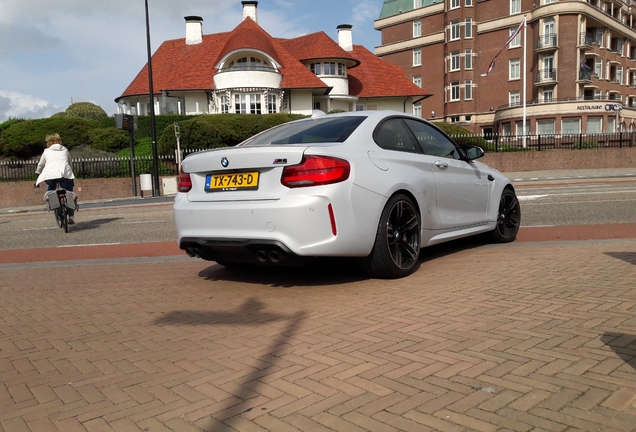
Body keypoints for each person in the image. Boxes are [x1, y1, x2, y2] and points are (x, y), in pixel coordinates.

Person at [35, 133, 77, 224]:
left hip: (50, 175)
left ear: (48, 143)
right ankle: (71, 216)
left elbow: (41, 164)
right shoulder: (65, 150)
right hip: (65, 174)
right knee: (69, 194)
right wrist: (70, 173)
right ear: (59, 141)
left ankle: (49, 198)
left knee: (50, 189)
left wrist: (37, 172)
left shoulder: (46, 151)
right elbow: (70, 163)